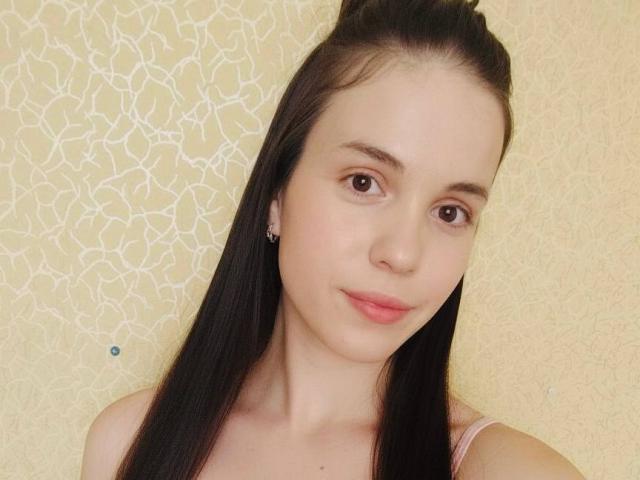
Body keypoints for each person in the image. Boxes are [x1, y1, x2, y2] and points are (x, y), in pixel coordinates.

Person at [81, 0, 586, 478]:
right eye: (363, 182)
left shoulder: (510, 471)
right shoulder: (127, 444)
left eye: (450, 212)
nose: (401, 254)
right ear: (277, 193)